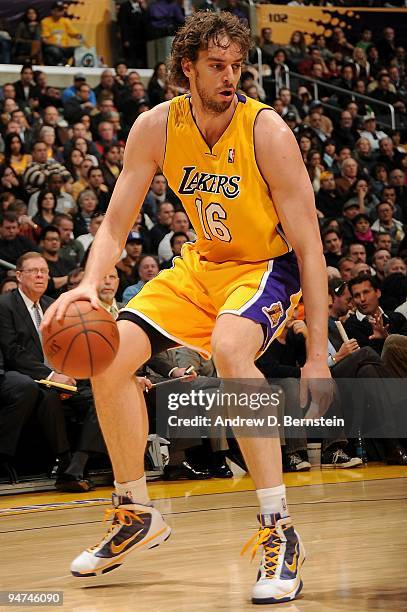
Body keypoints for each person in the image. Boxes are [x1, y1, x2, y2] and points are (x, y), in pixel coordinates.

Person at [42, 13, 331, 605]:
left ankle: (280, 530)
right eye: (217, 67)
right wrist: (88, 284)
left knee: (229, 350)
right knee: (110, 358)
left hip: (266, 269)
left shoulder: (266, 131)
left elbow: (310, 245)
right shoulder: (155, 127)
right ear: (186, 69)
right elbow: (117, 221)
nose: (230, 77)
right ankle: (134, 512)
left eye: (236, 67)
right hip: (202, 267)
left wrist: (318, 355)